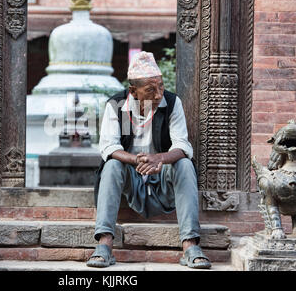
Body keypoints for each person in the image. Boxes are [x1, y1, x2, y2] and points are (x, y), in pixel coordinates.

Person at [86, 51, 211, 269]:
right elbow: (109, 146)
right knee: (112, 163)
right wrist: (136, 160)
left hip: (162, 178)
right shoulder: (119, 107)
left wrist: (158, 159)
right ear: (133, 91)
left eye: (161, 86)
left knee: (184, 163)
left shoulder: (171, 104)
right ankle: (104, 245)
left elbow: (182, 145)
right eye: (151, 90)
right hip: (131, 181)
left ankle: (190, 246)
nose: (159, 94)